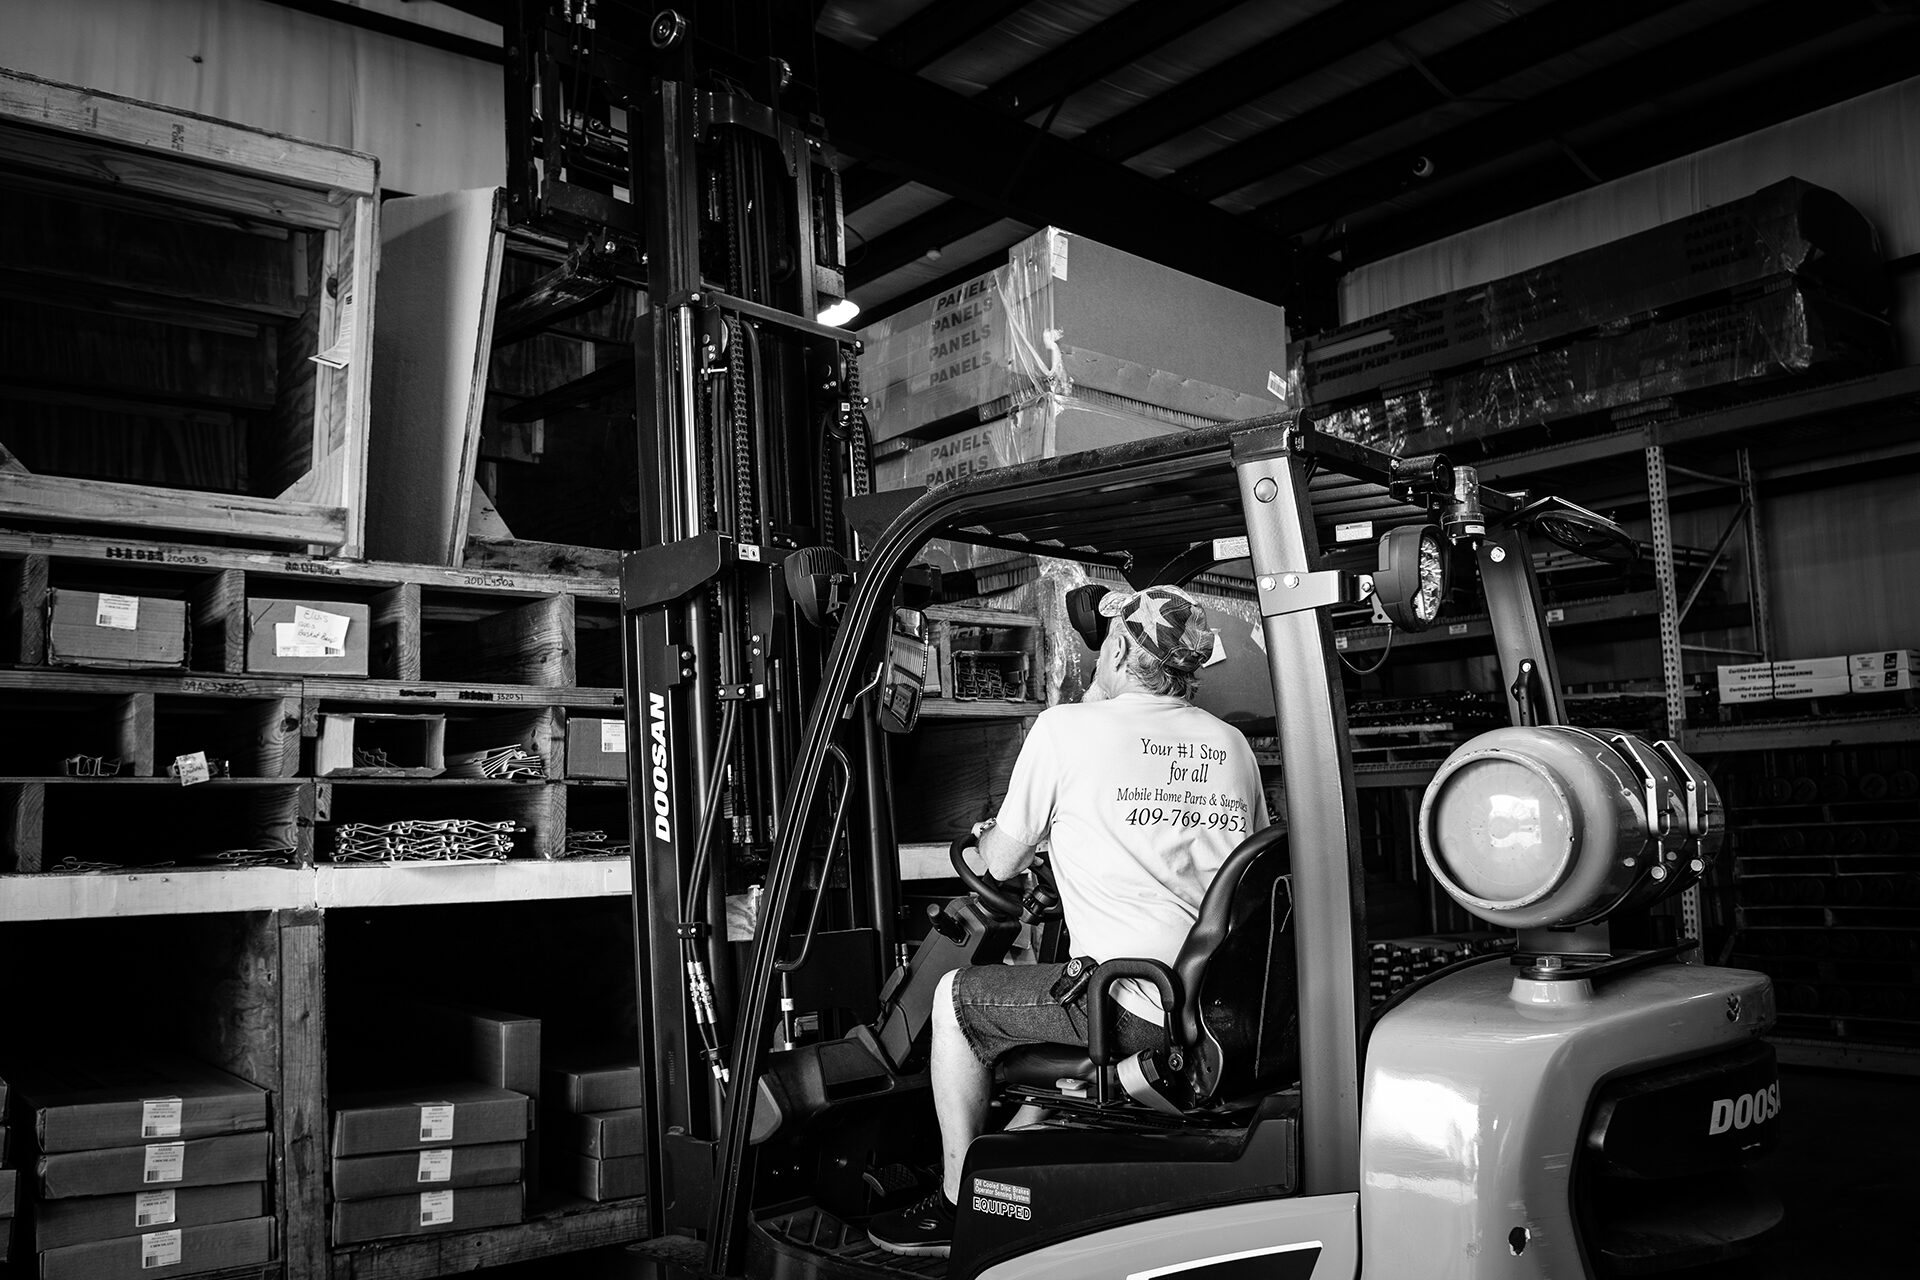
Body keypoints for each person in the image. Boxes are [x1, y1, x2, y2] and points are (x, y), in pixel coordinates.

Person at [868, 585, 1269, 1257]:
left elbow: (995, 864)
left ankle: (956, 1204)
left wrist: (995, 837)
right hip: (1221, 1006)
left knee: (956, 1001)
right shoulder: (1231, 747)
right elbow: (1230, 865)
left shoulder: (1065, 730)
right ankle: (1016, 1162)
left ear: (1115, 648)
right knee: (1063, 1001)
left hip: (1136, 1005)